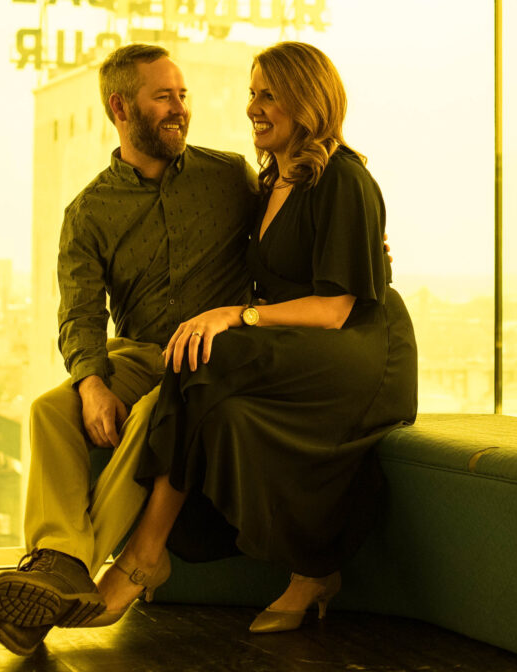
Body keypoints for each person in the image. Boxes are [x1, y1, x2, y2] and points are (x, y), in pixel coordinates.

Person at [89, 40, 417, 634]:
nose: (252, 107)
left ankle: (141, 557)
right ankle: (312, 568)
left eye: (268, 94)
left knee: (206, 354)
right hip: (310, 343)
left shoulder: (342, 178)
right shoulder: (269, 182)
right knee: (219, 407)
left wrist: (234, 317)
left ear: (306, 100)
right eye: (251, 93)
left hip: (362, 351)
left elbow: (338, 308)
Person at [0, 42, 258, 655]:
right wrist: (91, 383)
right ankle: (59, 565)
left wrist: (367, 245)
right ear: (120, 107)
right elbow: (78, 312)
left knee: (155, 417)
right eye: (164, 96)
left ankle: (62, 572)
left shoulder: (230, 176)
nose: (179, 108)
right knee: (48, 410)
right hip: (140, 352)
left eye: (182, 95)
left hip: (216, 355)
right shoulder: (89, 211)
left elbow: (295, 228)